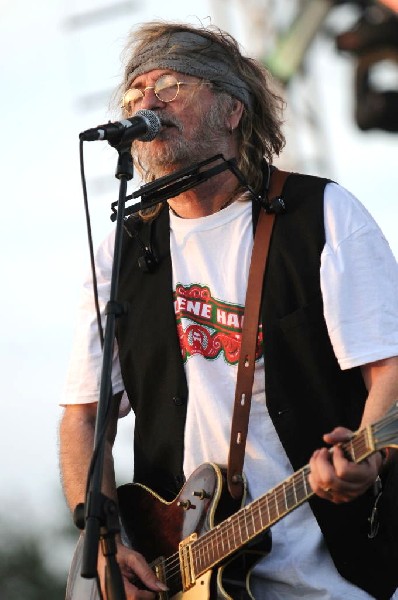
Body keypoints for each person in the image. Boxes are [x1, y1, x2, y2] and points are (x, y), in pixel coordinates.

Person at [59, 20, 398, 600]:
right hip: (184, 575)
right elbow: (83, 420)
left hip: (331, 580)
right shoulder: (124, 250)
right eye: (134, 94)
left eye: (168, 85)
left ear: (232, 110)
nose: (146, 102)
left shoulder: (322, 215)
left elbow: (390, 369)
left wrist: (373, 453)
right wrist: (109, 543)